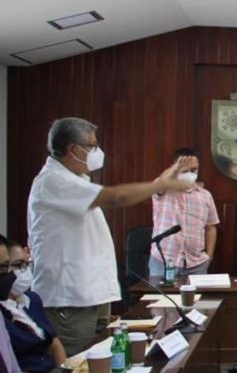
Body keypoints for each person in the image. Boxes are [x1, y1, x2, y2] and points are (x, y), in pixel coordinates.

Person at [28, 117, 193, 356]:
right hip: (70, 297)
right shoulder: (53, 181)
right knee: (76, 366)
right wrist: (163, 184)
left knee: (101, 363)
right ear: (73, 149)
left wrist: (168, 177)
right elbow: (117, 197)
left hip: (91, 293)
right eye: (92, 145)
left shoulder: (75, 180)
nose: (98, 152)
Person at [1, 238, 66, 373]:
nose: (24, 271)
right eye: (17, 265)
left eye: (27, 264)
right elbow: (8, 372)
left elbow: (54, 343)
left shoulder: (32, 300)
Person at [149, 147, 220, 279]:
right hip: (163, 261)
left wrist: (209, 256)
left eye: (194, 170)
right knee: (158, 293)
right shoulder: (164, 189)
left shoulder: (205, 195)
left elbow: (211, 227)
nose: (190, 174)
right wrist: (175, 168)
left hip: (196, 265)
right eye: (185, 170)